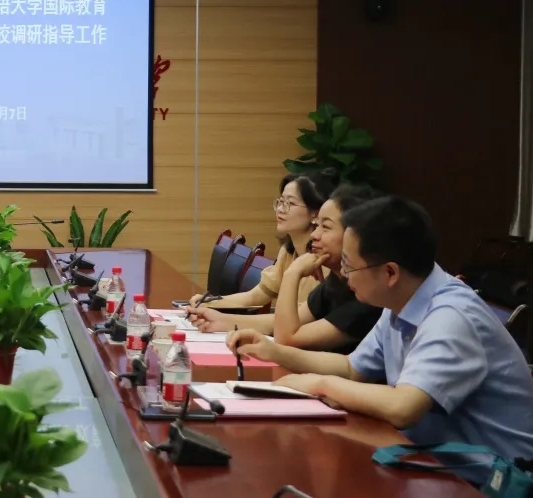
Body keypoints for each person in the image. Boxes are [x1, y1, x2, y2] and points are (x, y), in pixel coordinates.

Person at [228, 196, 533, 483]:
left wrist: (319, 385)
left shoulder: (450, 317)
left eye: (349, 264)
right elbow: (352, 368)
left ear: (390, 272)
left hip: (495, 481)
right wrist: (274, 352)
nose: (344, 273)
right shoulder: (402, 299)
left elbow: (403, 407)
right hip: (433, 465)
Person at [188, 184, 384, 353]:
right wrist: (220, 320)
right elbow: (279, 323)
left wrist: (292, 273)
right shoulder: (335, 281)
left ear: (354, 235)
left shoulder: (366, 295)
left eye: (325, 227)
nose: (314, 235)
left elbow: (287, 337)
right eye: (317, 226)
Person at [189, 169, 338, 309]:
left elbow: (299, 319)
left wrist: (218, 318)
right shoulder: (288, 252)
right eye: (281, 202)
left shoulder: (322, 262)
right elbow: (257, 296)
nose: (280, 209)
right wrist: (209, 303)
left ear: (315, 213)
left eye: (290, 203)